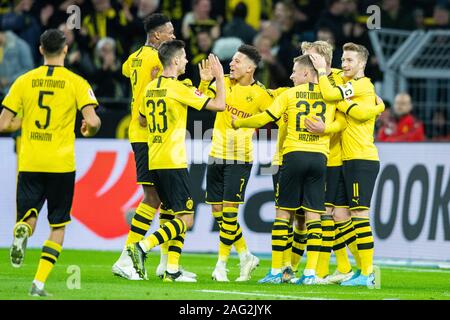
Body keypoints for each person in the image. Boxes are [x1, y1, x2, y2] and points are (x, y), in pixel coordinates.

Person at [0, 29, 101, 296]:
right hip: (61, 163)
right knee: (57, 225)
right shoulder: (76, 82)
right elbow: (92, 121)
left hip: (30, 160)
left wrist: (24, 122)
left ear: (41, 50)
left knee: (28, 216)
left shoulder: (23, 81)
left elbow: (2, 123)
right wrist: (88, 129)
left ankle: (23, 228)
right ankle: (38, 283)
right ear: (65, 50)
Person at [232, 54, 340, 284]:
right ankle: (310, 273)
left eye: (294, 71)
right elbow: (343, 120)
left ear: (306, 74)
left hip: (293, 155)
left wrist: (240, 122)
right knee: (314, 215)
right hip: (320, 157)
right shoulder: (330, 94)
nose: (291, 76)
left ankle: (275, 271)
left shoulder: (290, 94)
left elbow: (266, 117)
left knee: (283, 214)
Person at [126, 40, 226, 282]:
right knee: (186, 219)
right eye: (184, 57)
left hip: (155, 159)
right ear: (175, 61)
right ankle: (142, 246)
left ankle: (171, 271)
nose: (187, 61)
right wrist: (219, 78)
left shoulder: (151, 87)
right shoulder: (177, 88)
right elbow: (220, 105)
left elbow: (141, 120)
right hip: (173, 161)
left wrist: (202, 84)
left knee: (172, 215)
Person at [112, 13, 195, 282]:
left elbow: (126, 70)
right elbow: (160, 87)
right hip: (149, 133)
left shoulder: (135, 57)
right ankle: (128, 257)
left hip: (143, 134)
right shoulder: (155, 61)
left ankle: (167, 265)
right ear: (157, 36)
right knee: (153, 199)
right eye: (169, 33)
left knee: (165, 201)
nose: (173, 36)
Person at [310, 42, 385, 286]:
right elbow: (331, 76)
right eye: (343, 59)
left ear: (362, 63)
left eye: (350, 60)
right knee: (340, 214)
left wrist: (324, 75)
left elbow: (331, 94)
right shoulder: (345, 81)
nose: (345, 64)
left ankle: (368, 273)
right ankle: (358, 268)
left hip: (361, 158)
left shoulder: (363, 85)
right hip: (345, 160)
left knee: (360, 215)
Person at [198, 44, 274, 282]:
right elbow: (199, 101)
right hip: (216, 153)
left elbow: (276, 114)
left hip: (240, 157)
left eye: (237, 61)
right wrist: (203, 82)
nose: (231, 64)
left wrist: (253, 126)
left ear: (250, 68)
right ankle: (245, 255)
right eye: (232, 60)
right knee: (218, 212)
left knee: (229, 214)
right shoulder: (223, 84)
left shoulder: (260, 94)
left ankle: (221, 265)